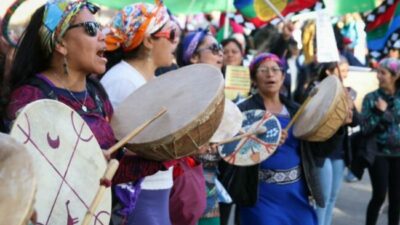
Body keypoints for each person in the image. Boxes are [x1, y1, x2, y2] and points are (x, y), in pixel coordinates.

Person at [101, 2, 178, 224]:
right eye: (171, 33)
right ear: (147, 41)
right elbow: (116, 144)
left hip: (156, 189)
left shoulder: (149, 78)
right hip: (136, 191)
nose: (175, 41)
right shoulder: (122, 79)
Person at [221, 53, 320, 225]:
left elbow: (318, 151)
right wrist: (262, 141)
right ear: (253, 78)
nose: (270, 74)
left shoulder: (296, 110)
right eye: (263, 70)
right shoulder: (243, 111)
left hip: (295, 193)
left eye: (275, 69)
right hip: (260, 194)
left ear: (283, 76)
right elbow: (228, 151)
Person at [177, 28, 225, 225]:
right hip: (182, 187)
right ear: (194, 57)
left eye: (220, 48)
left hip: (209, 187)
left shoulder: (217, 91)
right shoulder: (180, 91)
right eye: (214, 48)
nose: (220, 53)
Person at [305, 57, 358, 225]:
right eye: (341, 71)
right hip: (322, 152)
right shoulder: (315, 90)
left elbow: (357, 121)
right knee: (322, 200)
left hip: (340, 153)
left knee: (332, 199)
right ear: (328, 71)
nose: (345, 75)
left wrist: (349, 107)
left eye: (346, 71)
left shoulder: (346, 92)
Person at [360, 58, 400, 225]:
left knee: (397, 199)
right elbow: (365, 128)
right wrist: (378, 111)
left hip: (398, 154)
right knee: (379, 196)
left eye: (383, 73)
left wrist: (385, 113)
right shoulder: (371, 98)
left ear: (395, 75)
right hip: (378, 153)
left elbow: (395, 118)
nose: (378, 76)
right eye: (378, 72)